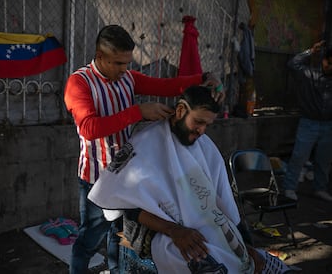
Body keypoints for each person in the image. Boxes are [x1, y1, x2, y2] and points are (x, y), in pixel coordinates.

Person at [63, 24, 224, 273]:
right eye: (118, 63)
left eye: (127, 63)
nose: (124, 69)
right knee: (89, 240)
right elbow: (88, 128)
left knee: (119, 236)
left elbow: (166, 86)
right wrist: (138, 112)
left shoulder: (127, 78)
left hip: (125, 177)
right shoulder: (79, 83)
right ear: (100, 56)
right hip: (96, 178)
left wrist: (204, 79)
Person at [88, 86, 293, 273]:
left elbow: (224, 200)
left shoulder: (205, 147)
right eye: (198, 121)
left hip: (210, 225)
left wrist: (246, 244)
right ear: (180, 112)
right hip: (160, 231)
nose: (202, 130)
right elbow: (129, 207)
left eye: (207, 125)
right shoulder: (146, 144)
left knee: (260, 264)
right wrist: (175, 230)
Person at [282, 40, 332, 202]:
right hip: (309, 122)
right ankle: (289, 187)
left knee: (324, 160)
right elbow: (292, 64)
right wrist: (310, 51)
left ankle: (320, 188)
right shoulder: (310, 74)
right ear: (324, 59)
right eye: (328, 63)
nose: (330, 67)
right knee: (299, 156)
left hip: (328, 124)